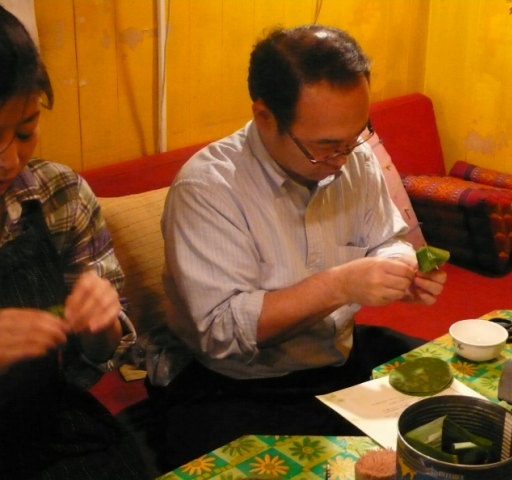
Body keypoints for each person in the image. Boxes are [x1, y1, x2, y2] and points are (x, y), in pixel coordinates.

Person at [146, 24, 447, 470]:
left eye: (356, 136)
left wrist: (400, 268)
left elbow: (387, 239)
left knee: (457, 417)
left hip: (339, 358)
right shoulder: (208, 188)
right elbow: (224, 333)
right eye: (325, 146)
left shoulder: (354, 156)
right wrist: (341, 285)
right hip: (235, 384)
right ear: (265, 117)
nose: (343, 159)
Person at [0, 6, 148, 479]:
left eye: (25, 130)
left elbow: (100, 358)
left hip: (50, 429)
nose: (9, 160)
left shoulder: (57, 196)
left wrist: (100, 323)